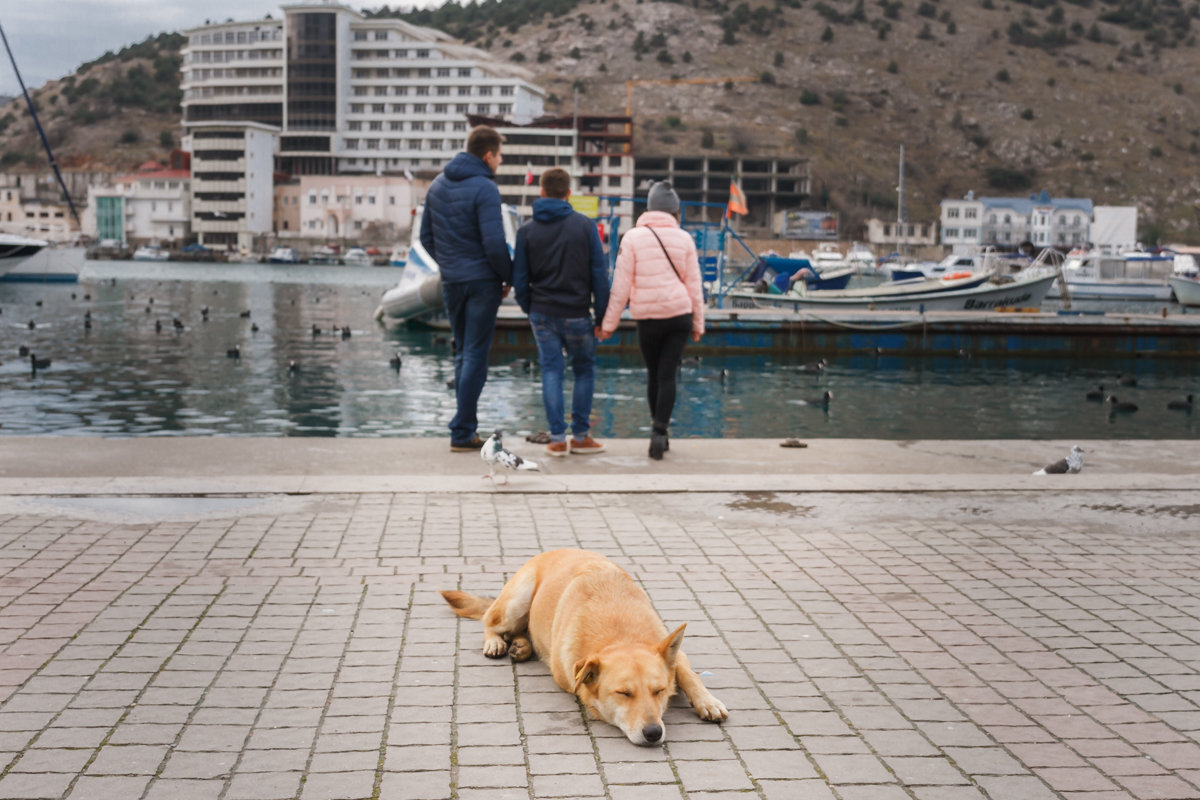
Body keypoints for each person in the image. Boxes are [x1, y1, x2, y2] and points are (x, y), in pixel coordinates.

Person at [419, 125, 513, 451]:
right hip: (482, 284)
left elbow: (425, 238)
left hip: (452, 282)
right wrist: (508, 277)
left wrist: (449, 265)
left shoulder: (437, 185)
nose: (500, 162)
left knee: (462, 352)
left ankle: (462, 429)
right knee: (474, 354)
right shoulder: (485, 188)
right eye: (499, 155)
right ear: (488, 155)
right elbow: (494, 243)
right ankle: (462, 431)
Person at [599, 181, 705, 460]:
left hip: (647, 318)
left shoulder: (632, 238)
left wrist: (608, 325)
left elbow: (620, 288)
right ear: (675, 211)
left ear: (648, 208)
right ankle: (660, 431)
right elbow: (695, 285)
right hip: (679, 314)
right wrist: (698, 323)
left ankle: (657, 429)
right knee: (669, 373)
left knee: (653, 373)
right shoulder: (685, 239)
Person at [512, 168, 610, 457]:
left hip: (542, 312)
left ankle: (556, 439)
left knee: (551, 370)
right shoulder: (584, 226)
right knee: (584, 371)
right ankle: (580, 437)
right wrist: (602, 316)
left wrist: (530, 308)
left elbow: (520, 280)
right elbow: (599, 276)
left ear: (541, 192)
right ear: (568, 193)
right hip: (578, 313)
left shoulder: (526, 231)